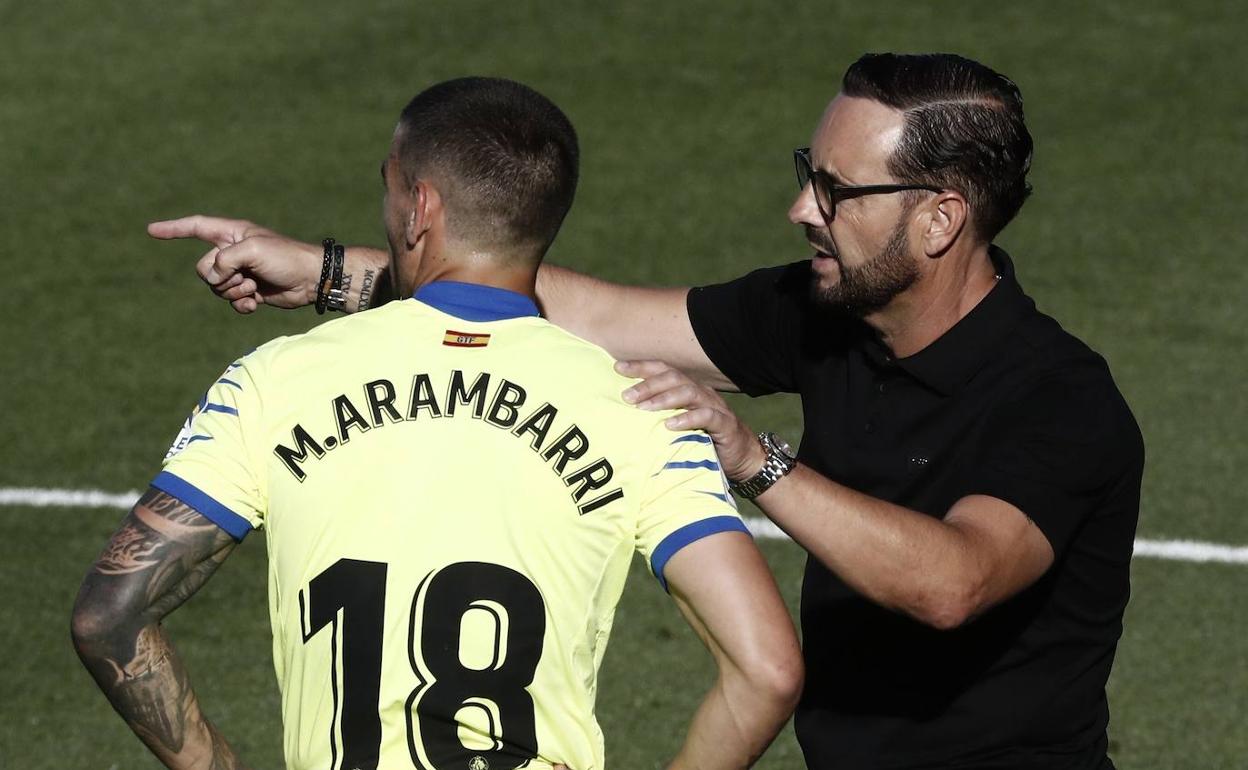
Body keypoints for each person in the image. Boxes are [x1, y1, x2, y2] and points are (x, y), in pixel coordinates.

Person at [153, 53, 1144, 769]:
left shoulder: (1058, 397)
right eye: (810, 170)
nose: (803, 208)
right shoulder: (821, 310)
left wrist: (756, 459)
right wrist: (329, 272)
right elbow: (579, 314)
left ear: (939, 217)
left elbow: (951, 580)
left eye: (836, 189)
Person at [71, 76, 802, 770]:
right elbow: (766, 670)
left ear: (420, 206)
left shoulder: (273, 382)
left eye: (387, 187)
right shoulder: (644, 413)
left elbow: (109, 616)